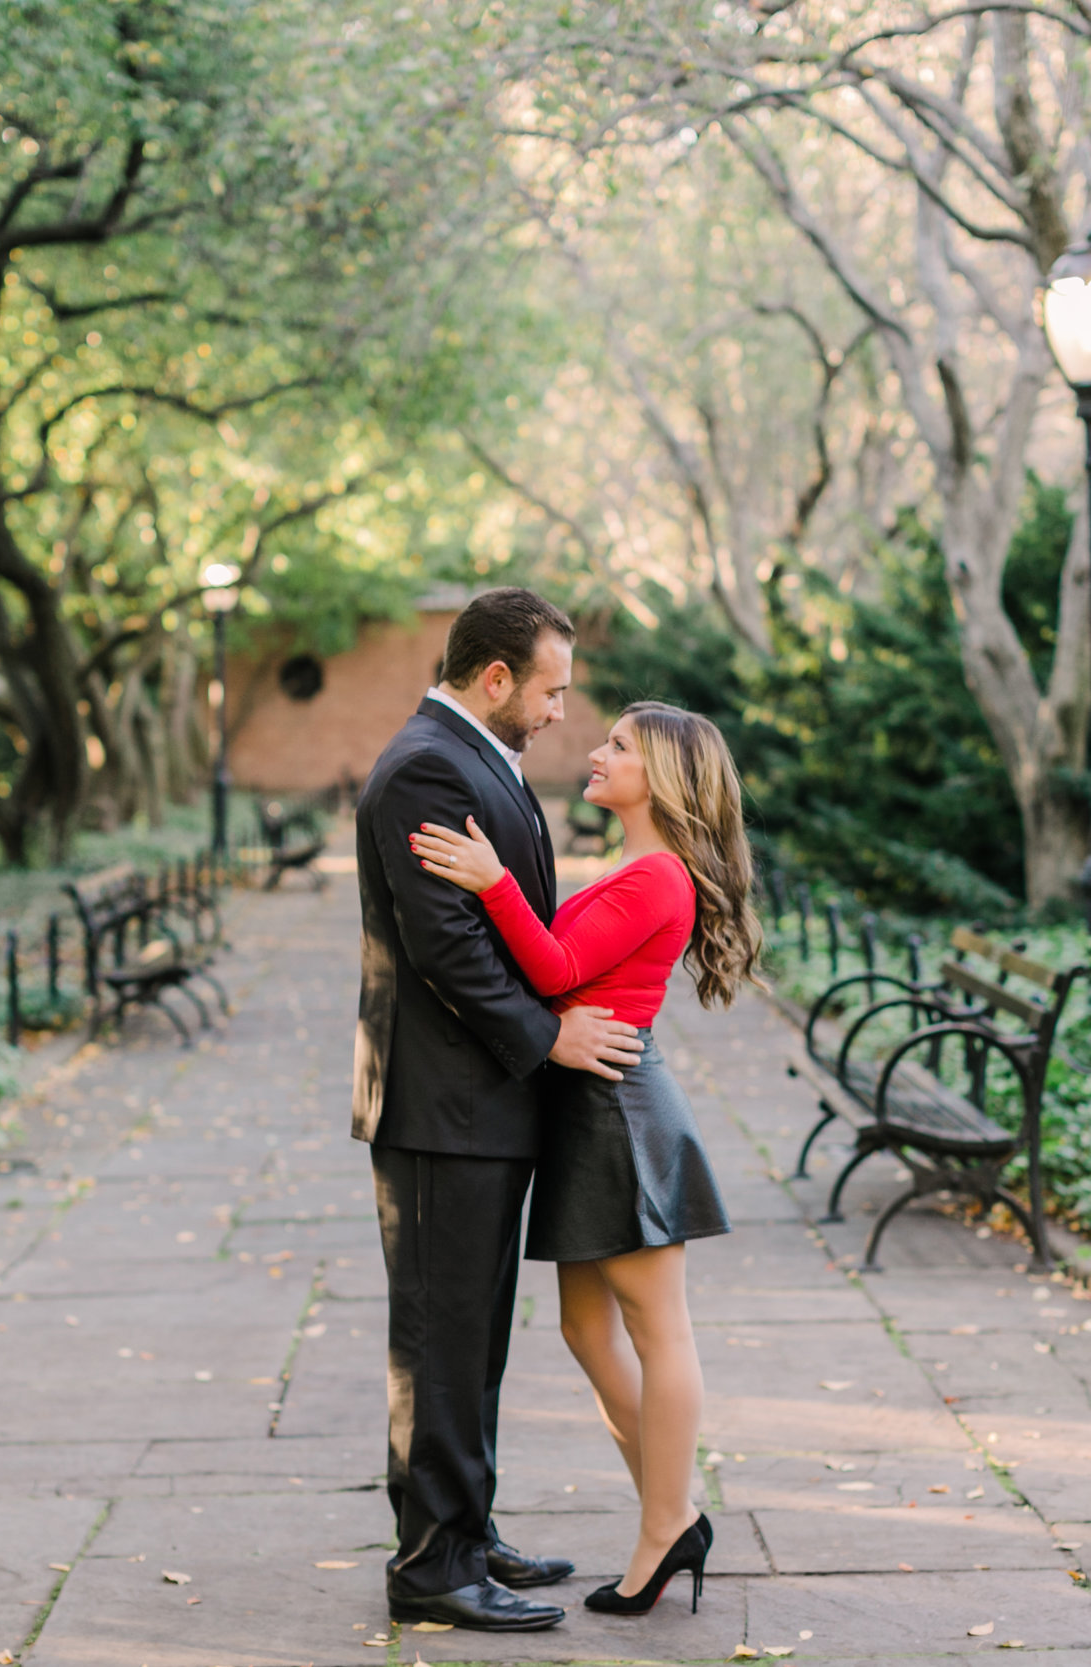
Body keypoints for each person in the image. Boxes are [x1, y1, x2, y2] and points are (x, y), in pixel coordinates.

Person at [409, 701, 762, 1616]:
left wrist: (492, 881)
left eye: (618, 746)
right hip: (587, 1109)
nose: (595, 752)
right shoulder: (634, 867)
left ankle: (661, 1529)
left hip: (621, 1113)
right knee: (584, 1329)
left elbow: (558, 967)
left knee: (658, 1330)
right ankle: (673, 1508)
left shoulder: (659, 877)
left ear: (665, 777)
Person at [351, 587, 646, 1633]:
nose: (561, 709)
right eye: (552, 689)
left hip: (479, 1107)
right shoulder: (428, 766)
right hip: (444, 1107)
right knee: (439, 1339)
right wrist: (548, 1034)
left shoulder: (476, 755)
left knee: (474, 1336)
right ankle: (431, 1565)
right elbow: (447, 947)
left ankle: (465, 1531)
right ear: (495, 678)